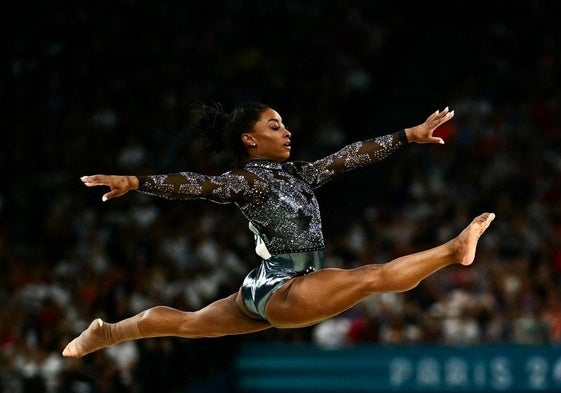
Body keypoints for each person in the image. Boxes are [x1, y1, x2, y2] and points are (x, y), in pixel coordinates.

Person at [62, 103, 495, 358]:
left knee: (190, 323)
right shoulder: (245, 180)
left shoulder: (300, 174)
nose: (286, 131)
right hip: (285, 286)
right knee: (371, 277)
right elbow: (197, 184)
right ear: (249, 140)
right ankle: (453, 250)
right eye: (274, 126)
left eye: (284, 124)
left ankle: (109, 332)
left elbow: (349, 156)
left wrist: (407, 135)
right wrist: (137, 182)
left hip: (263, 286)